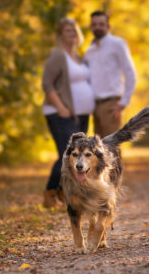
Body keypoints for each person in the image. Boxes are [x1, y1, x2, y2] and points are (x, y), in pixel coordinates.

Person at [41, 18, 95, 208]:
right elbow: (47, 84)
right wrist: (62, 108)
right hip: (60, 113)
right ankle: (50, 194)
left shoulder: (78, 56)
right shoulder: (57, 55)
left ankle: (65, 193)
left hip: (81, 114)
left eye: (73, 30)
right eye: (67, 31)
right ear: (60, 35)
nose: (71, 33)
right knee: (67, 154)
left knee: (77, 155)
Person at [84, 10, 137, 138]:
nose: (98, 27)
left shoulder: (117, 44)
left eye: (101, 24)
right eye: (95, 24)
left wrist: (123, 103)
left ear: (108, 27)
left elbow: (130, 73)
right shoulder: (89, 51)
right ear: (91, 27)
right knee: (99, 151)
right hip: (95, 106)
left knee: (111, 149)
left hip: (111, 105)